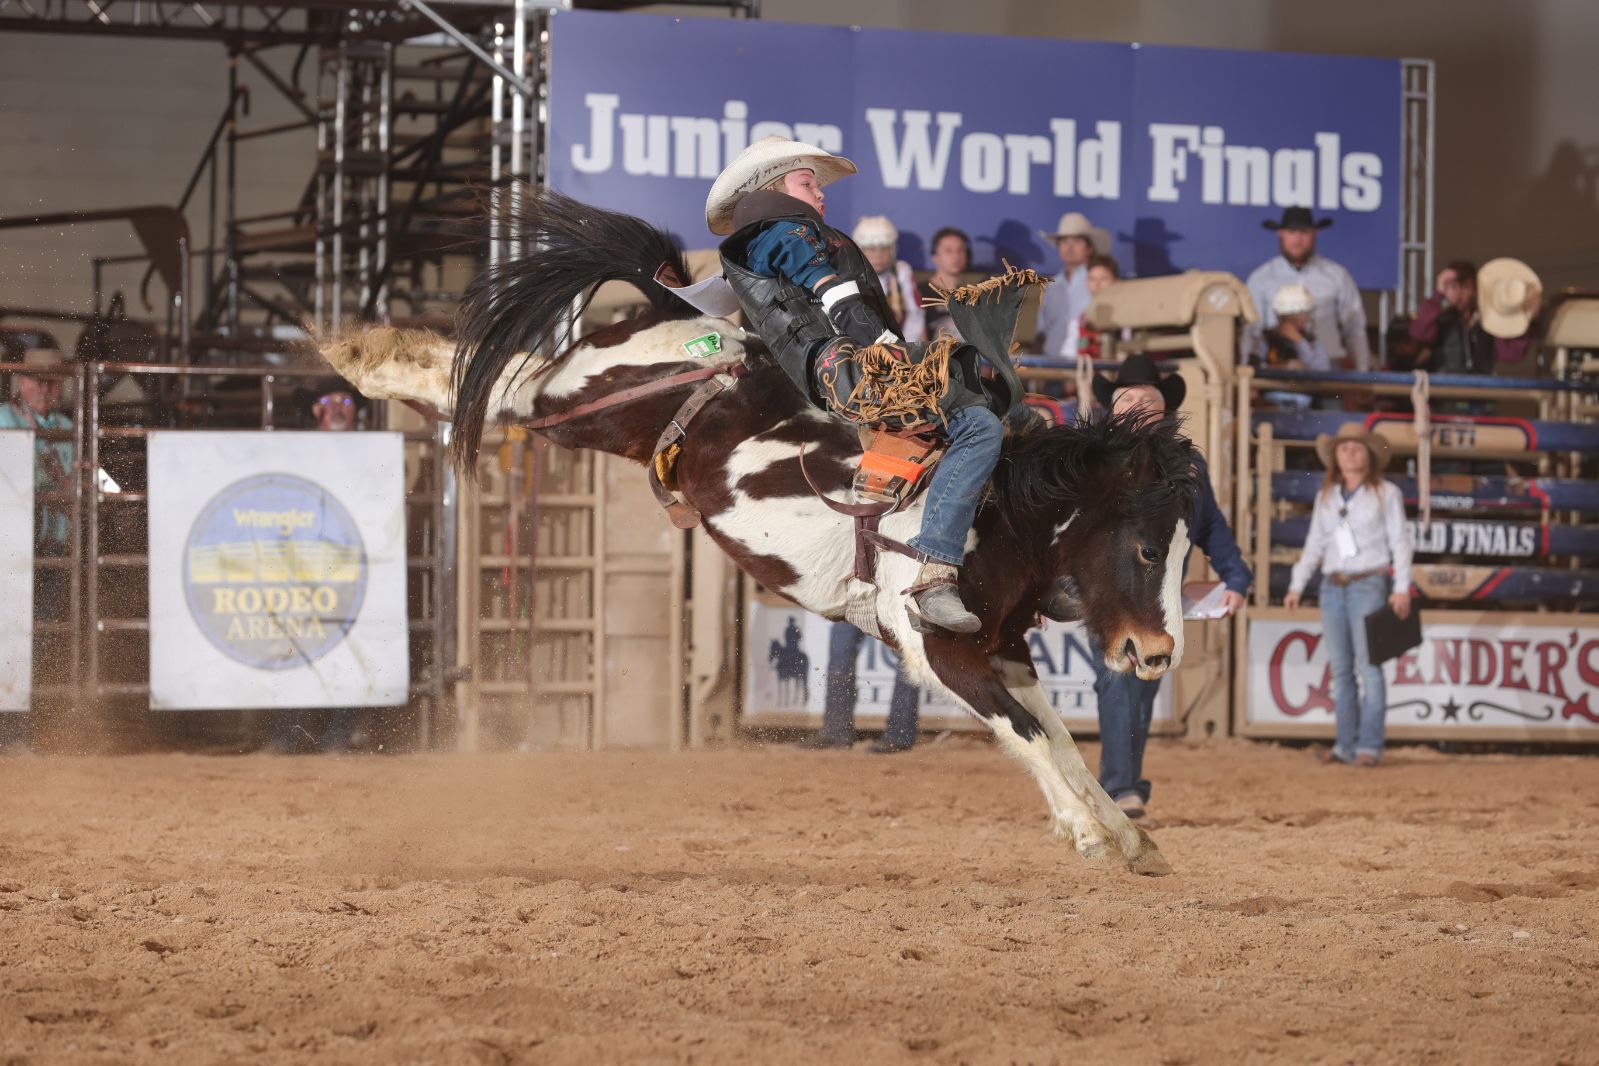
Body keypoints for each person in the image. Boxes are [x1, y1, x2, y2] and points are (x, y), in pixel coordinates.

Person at [712, 136, 1032, 634]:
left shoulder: (775, 237)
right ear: (775, 189)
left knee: (1003, 411)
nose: (820, 194)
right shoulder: (780, 232)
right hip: (851, 371)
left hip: (855, 365)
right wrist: (879, 338)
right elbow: (825, 285)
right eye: (807, 183)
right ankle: (935, 576)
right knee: (986, 425)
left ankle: (1019, 566)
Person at [1085, 356, 1252, 818]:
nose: (1137, 404)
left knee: (1141, 687)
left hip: (1160, 598)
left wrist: (1235, 576)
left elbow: (1210, 525)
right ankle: (1120, 788)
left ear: (1164, 410)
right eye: (1128, 398)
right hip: (1107, 592)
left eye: (1147, 399)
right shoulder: (1093, 456)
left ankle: (1126, 783)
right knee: (1119, 680)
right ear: (1113, 408)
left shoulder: (1187, 463)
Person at [1284, 423, 1414, 768]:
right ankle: (1346, 745)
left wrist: (1402, 588)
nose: (1350, 454)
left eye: (1356, 448)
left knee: (1368, 667)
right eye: (1344, 449)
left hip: (1369, 582)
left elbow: (1400, 541)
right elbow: (1315, 543)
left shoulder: (1386, 493)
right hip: (1333, 585)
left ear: (1368, 456)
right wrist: (1298, 583)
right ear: (1336, 457)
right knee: (1342, 670)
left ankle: (1368, 745)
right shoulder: (1327, 496)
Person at [264, 383, 365, 754]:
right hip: (301, 566)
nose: (337, 408)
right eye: (328, 402)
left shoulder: (371, 454)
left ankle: (336, 736)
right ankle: (286, 735)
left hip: (345, 569)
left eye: (345, 401)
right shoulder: (296, 454)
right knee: (292, 649)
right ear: (315, 412)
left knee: (350, 650)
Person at [0, 346, 76, 754]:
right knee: (12, 639)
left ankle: (14, 731)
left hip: (50, 545)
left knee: (35, 641)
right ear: (21, 381)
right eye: (35, 379)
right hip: (8, 548)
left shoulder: (65, 426)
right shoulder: (2, 420)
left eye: (51, 381)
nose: (44, 387)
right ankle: (12, 733)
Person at [1245, 208, 1371, 371]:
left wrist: (1362, 373)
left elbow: (1354, 328)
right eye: (1292, 232)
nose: (1298, 239)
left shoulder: (1337, 275)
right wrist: (1247, 372)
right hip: (1277, 367)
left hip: (1328, 367)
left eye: (1304, 232)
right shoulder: (1261, 278)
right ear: (1280, 233)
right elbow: (1251, 330)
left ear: (1314, 233)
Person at [797, 621, 921, 753]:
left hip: (896, 601)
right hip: (856, 600)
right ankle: (836, 731)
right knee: (840, 648)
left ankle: (899, 736)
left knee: (907, 653)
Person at [1408, 258, 1541, 375]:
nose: (1458, 293)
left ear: (1475, 289)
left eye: (1465, 287)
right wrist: (1437, 295)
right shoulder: (1439, 319)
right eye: (1452, 287)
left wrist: (1525, 321)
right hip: (1446, 396)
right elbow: (1419, 334)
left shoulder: (1489, 320)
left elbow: (1510, 356)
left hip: (1481, 395)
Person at [1035, 212, 1102, 356]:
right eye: (1064, 241)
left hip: (1087, 363)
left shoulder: (1098, 282)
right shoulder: (1051, 287)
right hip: (1052, 364)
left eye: (1077, 241)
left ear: (1089, 248)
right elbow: (1042, 331)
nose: (1069, 247)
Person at [852, 216, 925, 343]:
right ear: (860, 250)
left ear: (892, 250)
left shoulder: (901, 271)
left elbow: (915, 314)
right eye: (871, 249)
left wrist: (907, 348)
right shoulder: (851, 274)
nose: (878, 255)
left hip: (900, 344)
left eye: (884, 248)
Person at [1059, 252, 1121, 359]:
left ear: (1116, 282)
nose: (1097, 284)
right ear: (1086, 282)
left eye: (1103, 279)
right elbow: (1068, 356)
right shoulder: (1077, 322)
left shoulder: (1127, 318)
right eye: (1092, 279)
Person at [919, 226, 971, 339]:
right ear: (935, 257)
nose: (956, 256)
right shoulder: (919, 292)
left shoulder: (972, 296)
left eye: (960, 250)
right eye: (948, 251)